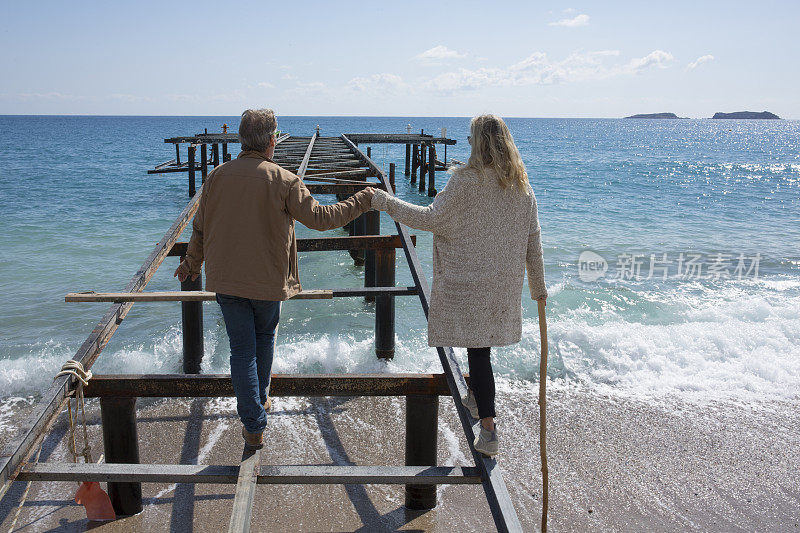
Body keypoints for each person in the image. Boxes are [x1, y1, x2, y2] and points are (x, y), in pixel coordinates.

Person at [175, 109, 375, 449]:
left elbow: (200, 227)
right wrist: (362, 199)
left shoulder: (217, 177)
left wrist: (192, 264)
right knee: (264, 337)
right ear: (272, 140)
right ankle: (259, 404)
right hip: (267, 280)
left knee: (241, 349)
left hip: (226, 279)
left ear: (241, 139)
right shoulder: (285, 180)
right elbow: (322, 219)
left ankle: (254, 420)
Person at [371, 114, 547, 456]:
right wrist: (539, 289)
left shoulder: (466, 182)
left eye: (470, 139)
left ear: (479, 143)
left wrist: (384, 201)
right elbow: (533, 242)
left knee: (479, 354)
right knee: (480, 350)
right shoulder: (523, 186)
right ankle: (475, 397)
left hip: (470, 284)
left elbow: (430, 220)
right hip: (501, 286)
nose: (466, 145)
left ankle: (489, 429)